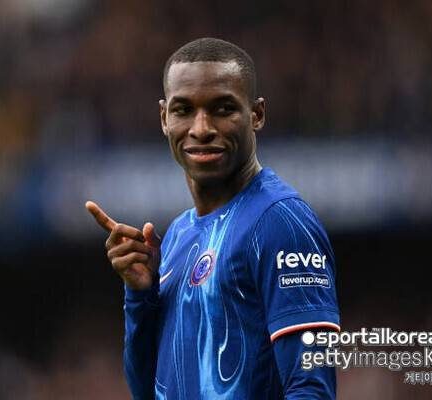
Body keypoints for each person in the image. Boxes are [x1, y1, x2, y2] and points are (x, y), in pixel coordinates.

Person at [86, 37, 340, 399]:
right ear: (164, 118)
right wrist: (140, 295)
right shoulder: (177, 235)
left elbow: (311, 388)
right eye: (183, 110)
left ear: (257, 114)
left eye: (223, 109)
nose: (201, 128)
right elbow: (148, 391)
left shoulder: (280, 223)